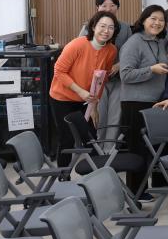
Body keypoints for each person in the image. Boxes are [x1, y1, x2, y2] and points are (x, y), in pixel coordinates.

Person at [50, 11, 118, 167]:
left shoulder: (111, 50)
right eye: (102, 26)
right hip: (62, 98)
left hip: (86, 100)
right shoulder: (77, 44)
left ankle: (97, 174)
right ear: (93, 27)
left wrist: (94, 105)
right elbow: (59, 71)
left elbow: (102, 78)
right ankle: (63, 176)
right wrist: (80, 91)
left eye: (111, 27)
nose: (106, 31)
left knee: (91, 138)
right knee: (67, 139)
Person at [119, 5, 168, 198]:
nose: (157, 23)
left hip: (155, 102)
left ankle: (155, 183)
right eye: (153, 19)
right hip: (135, 103)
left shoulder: (160, 41)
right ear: (143, 20)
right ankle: (136, 192)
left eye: (161, 20)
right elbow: (125, 75)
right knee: (137, 150)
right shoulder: (134, 42)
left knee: (155, 146)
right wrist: (151, 70)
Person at [77, 0, 131, 136]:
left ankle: (110, 146)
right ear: (97, 7)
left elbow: (131, 53)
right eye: (104, 5)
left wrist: (119, 65)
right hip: (95, 80)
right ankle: (99, 145)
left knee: (115, 115)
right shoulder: (88, 27)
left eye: (112, 5)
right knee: (98, 114)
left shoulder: (125, 28)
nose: (108, 9)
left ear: (118, 7)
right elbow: (81, 55)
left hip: (117, 79)